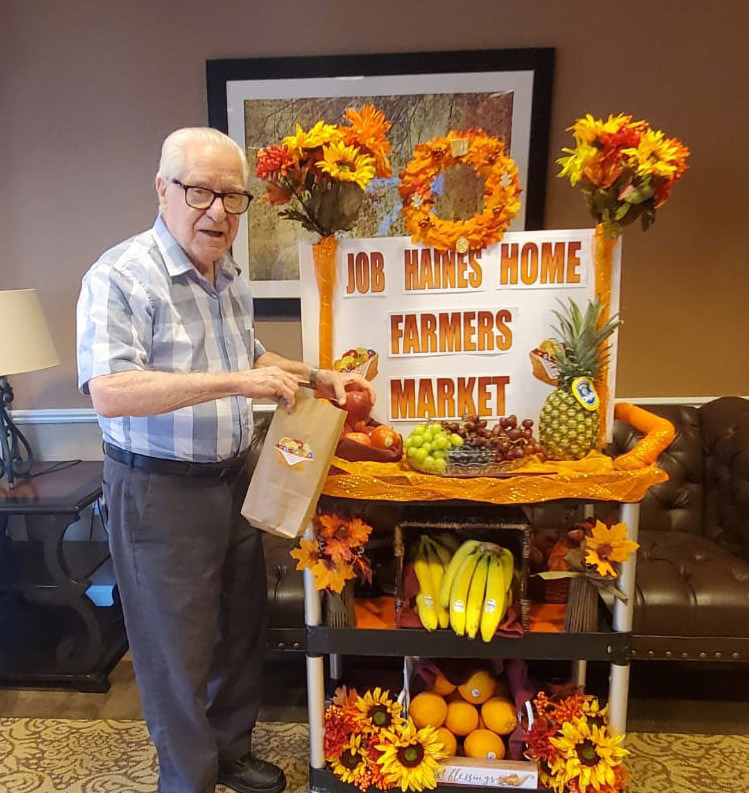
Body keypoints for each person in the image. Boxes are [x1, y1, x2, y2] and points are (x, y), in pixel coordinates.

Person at [76, 127, 375, 793]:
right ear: (163, 190)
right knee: (173, 650)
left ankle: (230, 751)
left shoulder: (227, 275)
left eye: (232, 196)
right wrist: (236, 384)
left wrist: (314, 375)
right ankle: (188, 778)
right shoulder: (119, 277)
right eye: (200, 191)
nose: (217, 211)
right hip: (158, 492)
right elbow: (111, 390)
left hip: (234, 478)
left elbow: (251, 356)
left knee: (240, 629)